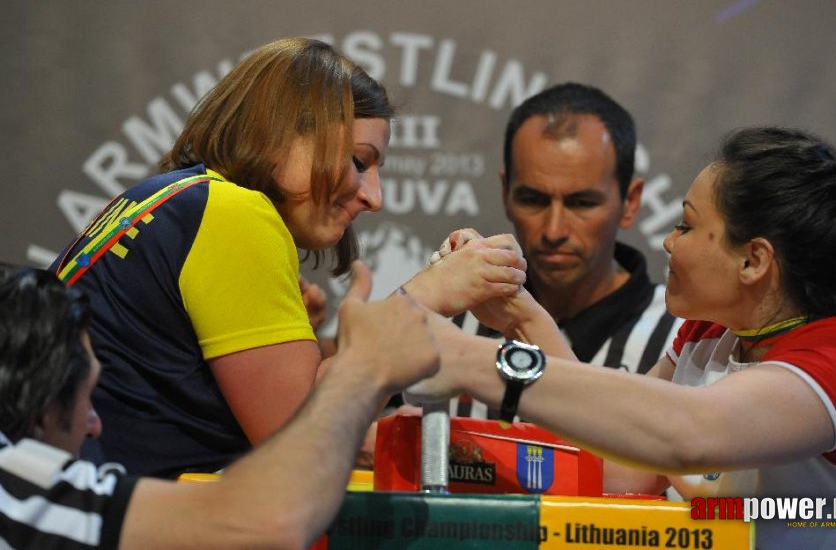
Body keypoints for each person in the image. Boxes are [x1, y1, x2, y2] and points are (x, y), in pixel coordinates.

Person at [50, 37, 526, 477]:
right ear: (281, 133)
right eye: (359, 162)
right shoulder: (235, 214)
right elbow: (302, 447)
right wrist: (425, 297)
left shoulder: (175, 201)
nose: (374, 197)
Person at [410, 126, 836, 549]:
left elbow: (688, 434)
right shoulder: (710, 335)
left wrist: (469, 359)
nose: (668, 241)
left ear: (753, 261)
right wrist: (522, 317)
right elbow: (619, 468)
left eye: (687, 225)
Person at [0, 262, 440, 549]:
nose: (94, 425)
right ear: (32, 400)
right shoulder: (13, 486)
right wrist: (362, 369)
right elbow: (265, 521)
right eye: (85, 397)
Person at [448, 82, 680, 420]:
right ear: (505, 193)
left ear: (629, 203)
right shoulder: (451, 320)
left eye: (582, 203)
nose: (554, 231)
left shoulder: (682, 342)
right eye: (533, 200)